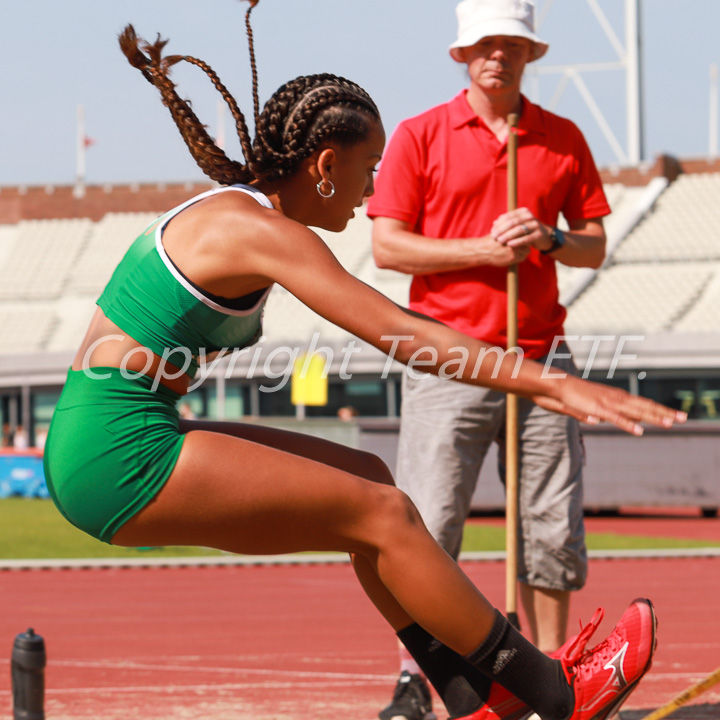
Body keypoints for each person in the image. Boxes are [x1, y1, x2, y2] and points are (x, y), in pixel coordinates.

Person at [43, 4, 682, 720]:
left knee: (371, 481)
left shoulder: (241, 214)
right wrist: (550, 380)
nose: (373, 189)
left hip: (121, 432)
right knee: (381, 512)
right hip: (117, 453)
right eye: (367, 168)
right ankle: (554, 692)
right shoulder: (259, 230)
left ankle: (474, 697)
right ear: (324, 165)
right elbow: (397, 329)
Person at [367, 1, 620, 717]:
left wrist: (549, 240)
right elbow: (388, 246)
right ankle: (420, 678)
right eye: (484, 44)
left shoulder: (563, 138)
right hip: (446, 356)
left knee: (550, 523)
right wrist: (484, 250)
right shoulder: (421, 134)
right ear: (461, 55)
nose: (497, 56)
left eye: (511, 44)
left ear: (531, 54)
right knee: (427, 522)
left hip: (540, 356)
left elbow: (594, 243)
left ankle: (556, 678)